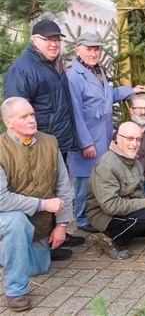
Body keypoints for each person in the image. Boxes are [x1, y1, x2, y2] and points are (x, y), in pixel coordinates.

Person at [3, 19, 83, 253]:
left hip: (57, 142)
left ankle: (58, 233)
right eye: (48, 40)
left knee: (56, 188)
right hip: (35, 145)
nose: (54, 44)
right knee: (37, 190)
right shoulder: (22, 69)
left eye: (57, 40)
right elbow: (16, 110)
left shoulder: (53, 66)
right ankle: (37, 243)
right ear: (34, 40)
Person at [67, 32, 145, 232]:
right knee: (84, 180)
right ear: (78, 50)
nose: (94, 53)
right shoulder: (73, 77)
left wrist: (130, 90)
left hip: (102, 135)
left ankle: (98, 215)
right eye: (89, 49)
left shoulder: (97, 70)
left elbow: (107, 95)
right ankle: (82, 219)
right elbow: (74, 113)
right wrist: (85, 142)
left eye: (97, 49)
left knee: (99, 178)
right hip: (87, 137)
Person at [0, 97, 74, 312]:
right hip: (7, 218)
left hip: (39, 226)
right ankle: (16, 292)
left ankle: (12, 253)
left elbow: (63, 187)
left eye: (32, 114)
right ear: (8, 122)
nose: (32, 120)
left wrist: (61, 225)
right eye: (24, 116)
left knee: (39, 267)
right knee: (16, 222)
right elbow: (1, 198)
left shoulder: (50, 142)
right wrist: (43, 204)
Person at [87, 122, 145, 260]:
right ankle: (111, 238)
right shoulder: (107, 164)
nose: (134, 144)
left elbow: (139, 194)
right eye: (129, 138)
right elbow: (110, 206)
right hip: (105, 216)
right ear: (118, 138)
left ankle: (131, 229)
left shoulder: (136, 163)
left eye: (138, 139)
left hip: (126, 211)